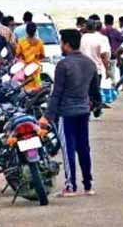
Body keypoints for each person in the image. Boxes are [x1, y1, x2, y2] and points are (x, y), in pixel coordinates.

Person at [39, 29, 101, 198]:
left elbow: (56, 93)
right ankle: (88, 185)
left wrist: (47, 116)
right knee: (84, 148)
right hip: (83, 111)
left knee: (68, 149)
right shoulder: (90, 64)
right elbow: (95, 91)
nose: (60, 45)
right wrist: (96, 106)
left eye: (61, 43)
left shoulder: (63, 65)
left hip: (67, 112)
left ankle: (71, 186)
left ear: (66, 45)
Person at [15, 22, 45, 91]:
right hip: (35, 70)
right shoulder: (40, 42)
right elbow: (42, 56)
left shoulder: (21, 42)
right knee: (37, 89)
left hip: (25, 69)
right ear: (35, 31)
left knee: (25, 89)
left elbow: (17, 55)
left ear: (26, 31)